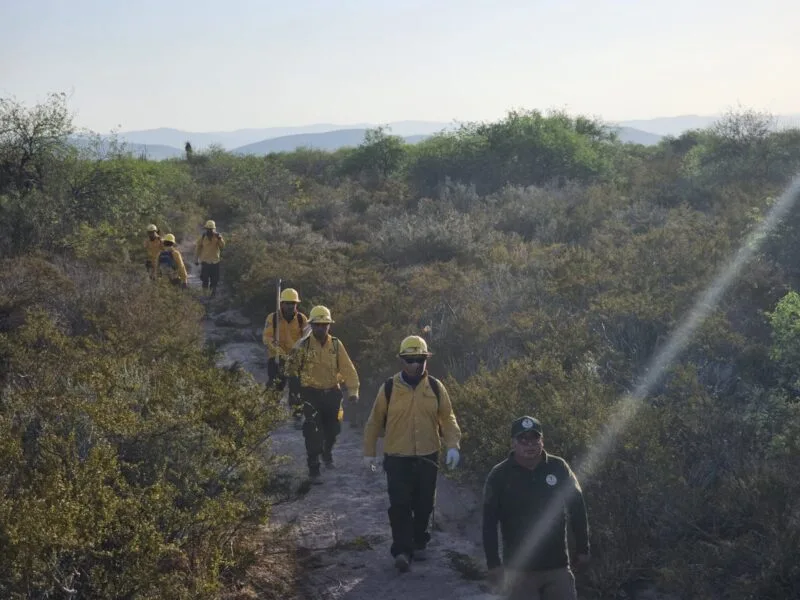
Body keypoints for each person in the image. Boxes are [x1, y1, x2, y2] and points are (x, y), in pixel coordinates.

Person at [362, 335, 462, 573]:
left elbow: (448, 418)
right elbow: (374, 421)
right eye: (410, 360)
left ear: (426, 359)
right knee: (400, 505)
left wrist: (453, 445)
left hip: (428, 455)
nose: (415, 364)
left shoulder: (436, 387)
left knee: (424, 504)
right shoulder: (389, 388)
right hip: (397, 457)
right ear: (401, 361)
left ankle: (419, 541)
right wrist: (369, 452)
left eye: (420, 359)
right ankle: (402, 551)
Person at [482, 416, 590, 600]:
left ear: (542, 441)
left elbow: (577, 507)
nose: (529, 445)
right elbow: (489, 522)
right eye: (523, 440)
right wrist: (493, 563)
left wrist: (583, 548)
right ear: (513, 443)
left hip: (557, 566)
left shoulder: (559, 467)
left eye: (534, 439)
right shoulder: (499, 475)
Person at [284, 305, 359, 482]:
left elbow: (348, 369)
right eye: (317, 325)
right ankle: (314, 467)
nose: (320, 328)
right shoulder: (303, 345)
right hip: (310, 393)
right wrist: (295, 388)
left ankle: (327, 452)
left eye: (324, 325)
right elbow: (291, 369)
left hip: (332, 392)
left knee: (333, 429)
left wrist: (353, 391)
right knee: (312, 430)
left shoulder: (336, 344)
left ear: (329, 325)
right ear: (311, 325)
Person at [262, 288, 308, 428]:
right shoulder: (273, 318)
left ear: (296, 304)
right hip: (276, 357)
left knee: (297, 387)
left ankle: (297, 415)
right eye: (287, 303)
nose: (290, 306)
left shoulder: (301, 319)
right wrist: (280, 352)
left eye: (293, 303)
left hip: (295, 359)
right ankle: (269, 415)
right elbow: (267, 338)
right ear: (281, 303)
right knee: (275, 386)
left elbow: (307, 339)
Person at [194, 219, 225, 296]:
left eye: (211, 229)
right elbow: (198, 248)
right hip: (205, 262)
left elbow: (222, 246)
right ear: (206, 229)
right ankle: (205, 294)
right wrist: (196, 259)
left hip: (215, 262)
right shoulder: (203, 237)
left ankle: (212, 294)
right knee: (204, 279)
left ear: (214, 229)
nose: (210, 231)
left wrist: (220, 239)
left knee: (215, 280)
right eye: (208, 229)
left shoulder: (218, 237)